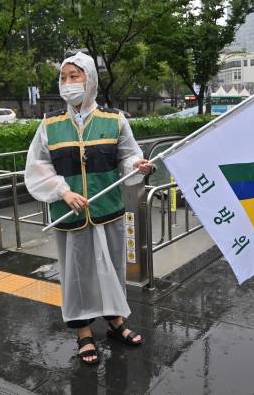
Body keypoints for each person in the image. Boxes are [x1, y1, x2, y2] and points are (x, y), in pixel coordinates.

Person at [24, 52, 153, 366]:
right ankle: (83, 332)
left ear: (91, 80)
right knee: (77, 275)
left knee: (112, 270)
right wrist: (63, 192)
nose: (68, 84)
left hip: (107, 209)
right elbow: (38, 166)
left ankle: (115, 322)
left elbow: (126, 157)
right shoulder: (50, 124)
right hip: (71, 215)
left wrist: (138, 166)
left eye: (75, 76)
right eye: (64, 77)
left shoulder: (114, 119)